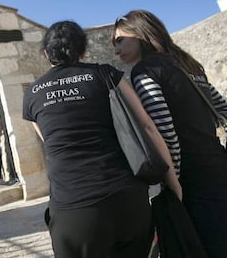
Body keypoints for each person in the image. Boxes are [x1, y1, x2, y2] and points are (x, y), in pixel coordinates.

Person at [22, 20, 180, 258]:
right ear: (83, 51)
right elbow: (147, 126)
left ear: (46, 53)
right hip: (127, 199)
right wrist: (173, 181)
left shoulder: (32, 95)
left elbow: (47, 140)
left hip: (73, 209)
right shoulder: (107, 74)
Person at [112, 9, 227, 257]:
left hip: (199, 187)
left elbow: (166, 136)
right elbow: (224, 112)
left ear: (140, 34)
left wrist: (173, 185)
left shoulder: (146, 72)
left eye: (120, 40)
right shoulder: (188, 64)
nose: (116, 48)